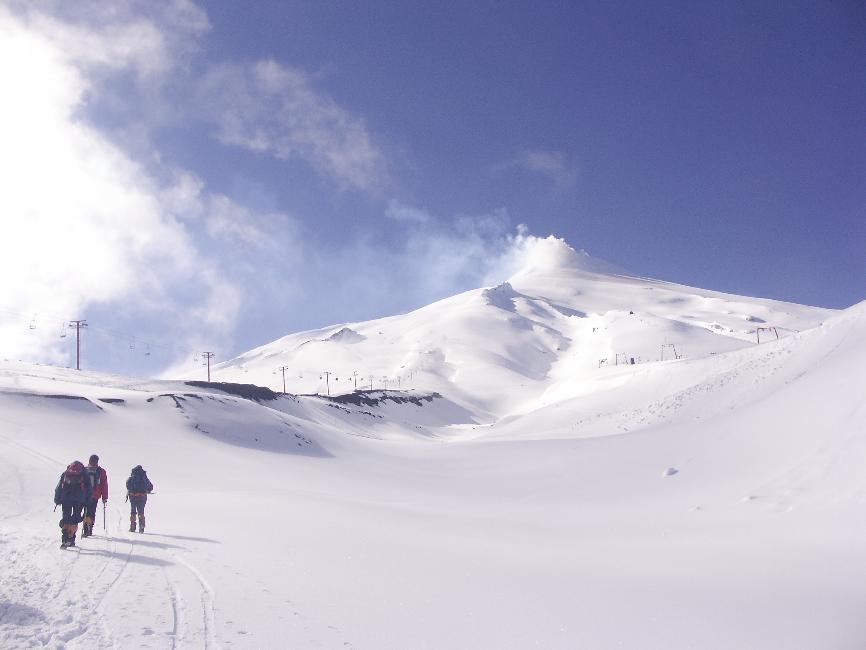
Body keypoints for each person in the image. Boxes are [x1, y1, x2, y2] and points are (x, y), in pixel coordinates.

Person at [54, 460, 90, 548]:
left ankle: (65, 540)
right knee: (75, 519)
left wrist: (57, 498)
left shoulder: (66, 473)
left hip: (66, 498)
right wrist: (88, 501)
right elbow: (89, 489)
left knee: (66, 518)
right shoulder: (84, 474)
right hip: (79, 500)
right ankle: (71, 539)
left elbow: (59, 487)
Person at [83, 454, 108, 537]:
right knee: (92, 511)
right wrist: (104, 497)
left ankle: (86, 527)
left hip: (85, 494)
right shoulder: (101, 471)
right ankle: (90, 526)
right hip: (95, 495)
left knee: (86, 511)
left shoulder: (85, 470)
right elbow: (104, 485)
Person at [126, 465, 153, 533]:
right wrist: (147, 490)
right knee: (141, 511)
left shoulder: (132, 476)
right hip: (142, 496)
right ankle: (141, 526)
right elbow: (150, 486)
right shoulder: (144, 476)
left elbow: (128, 485)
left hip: (133, 496)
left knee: (133, 511)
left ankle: (132, 527)